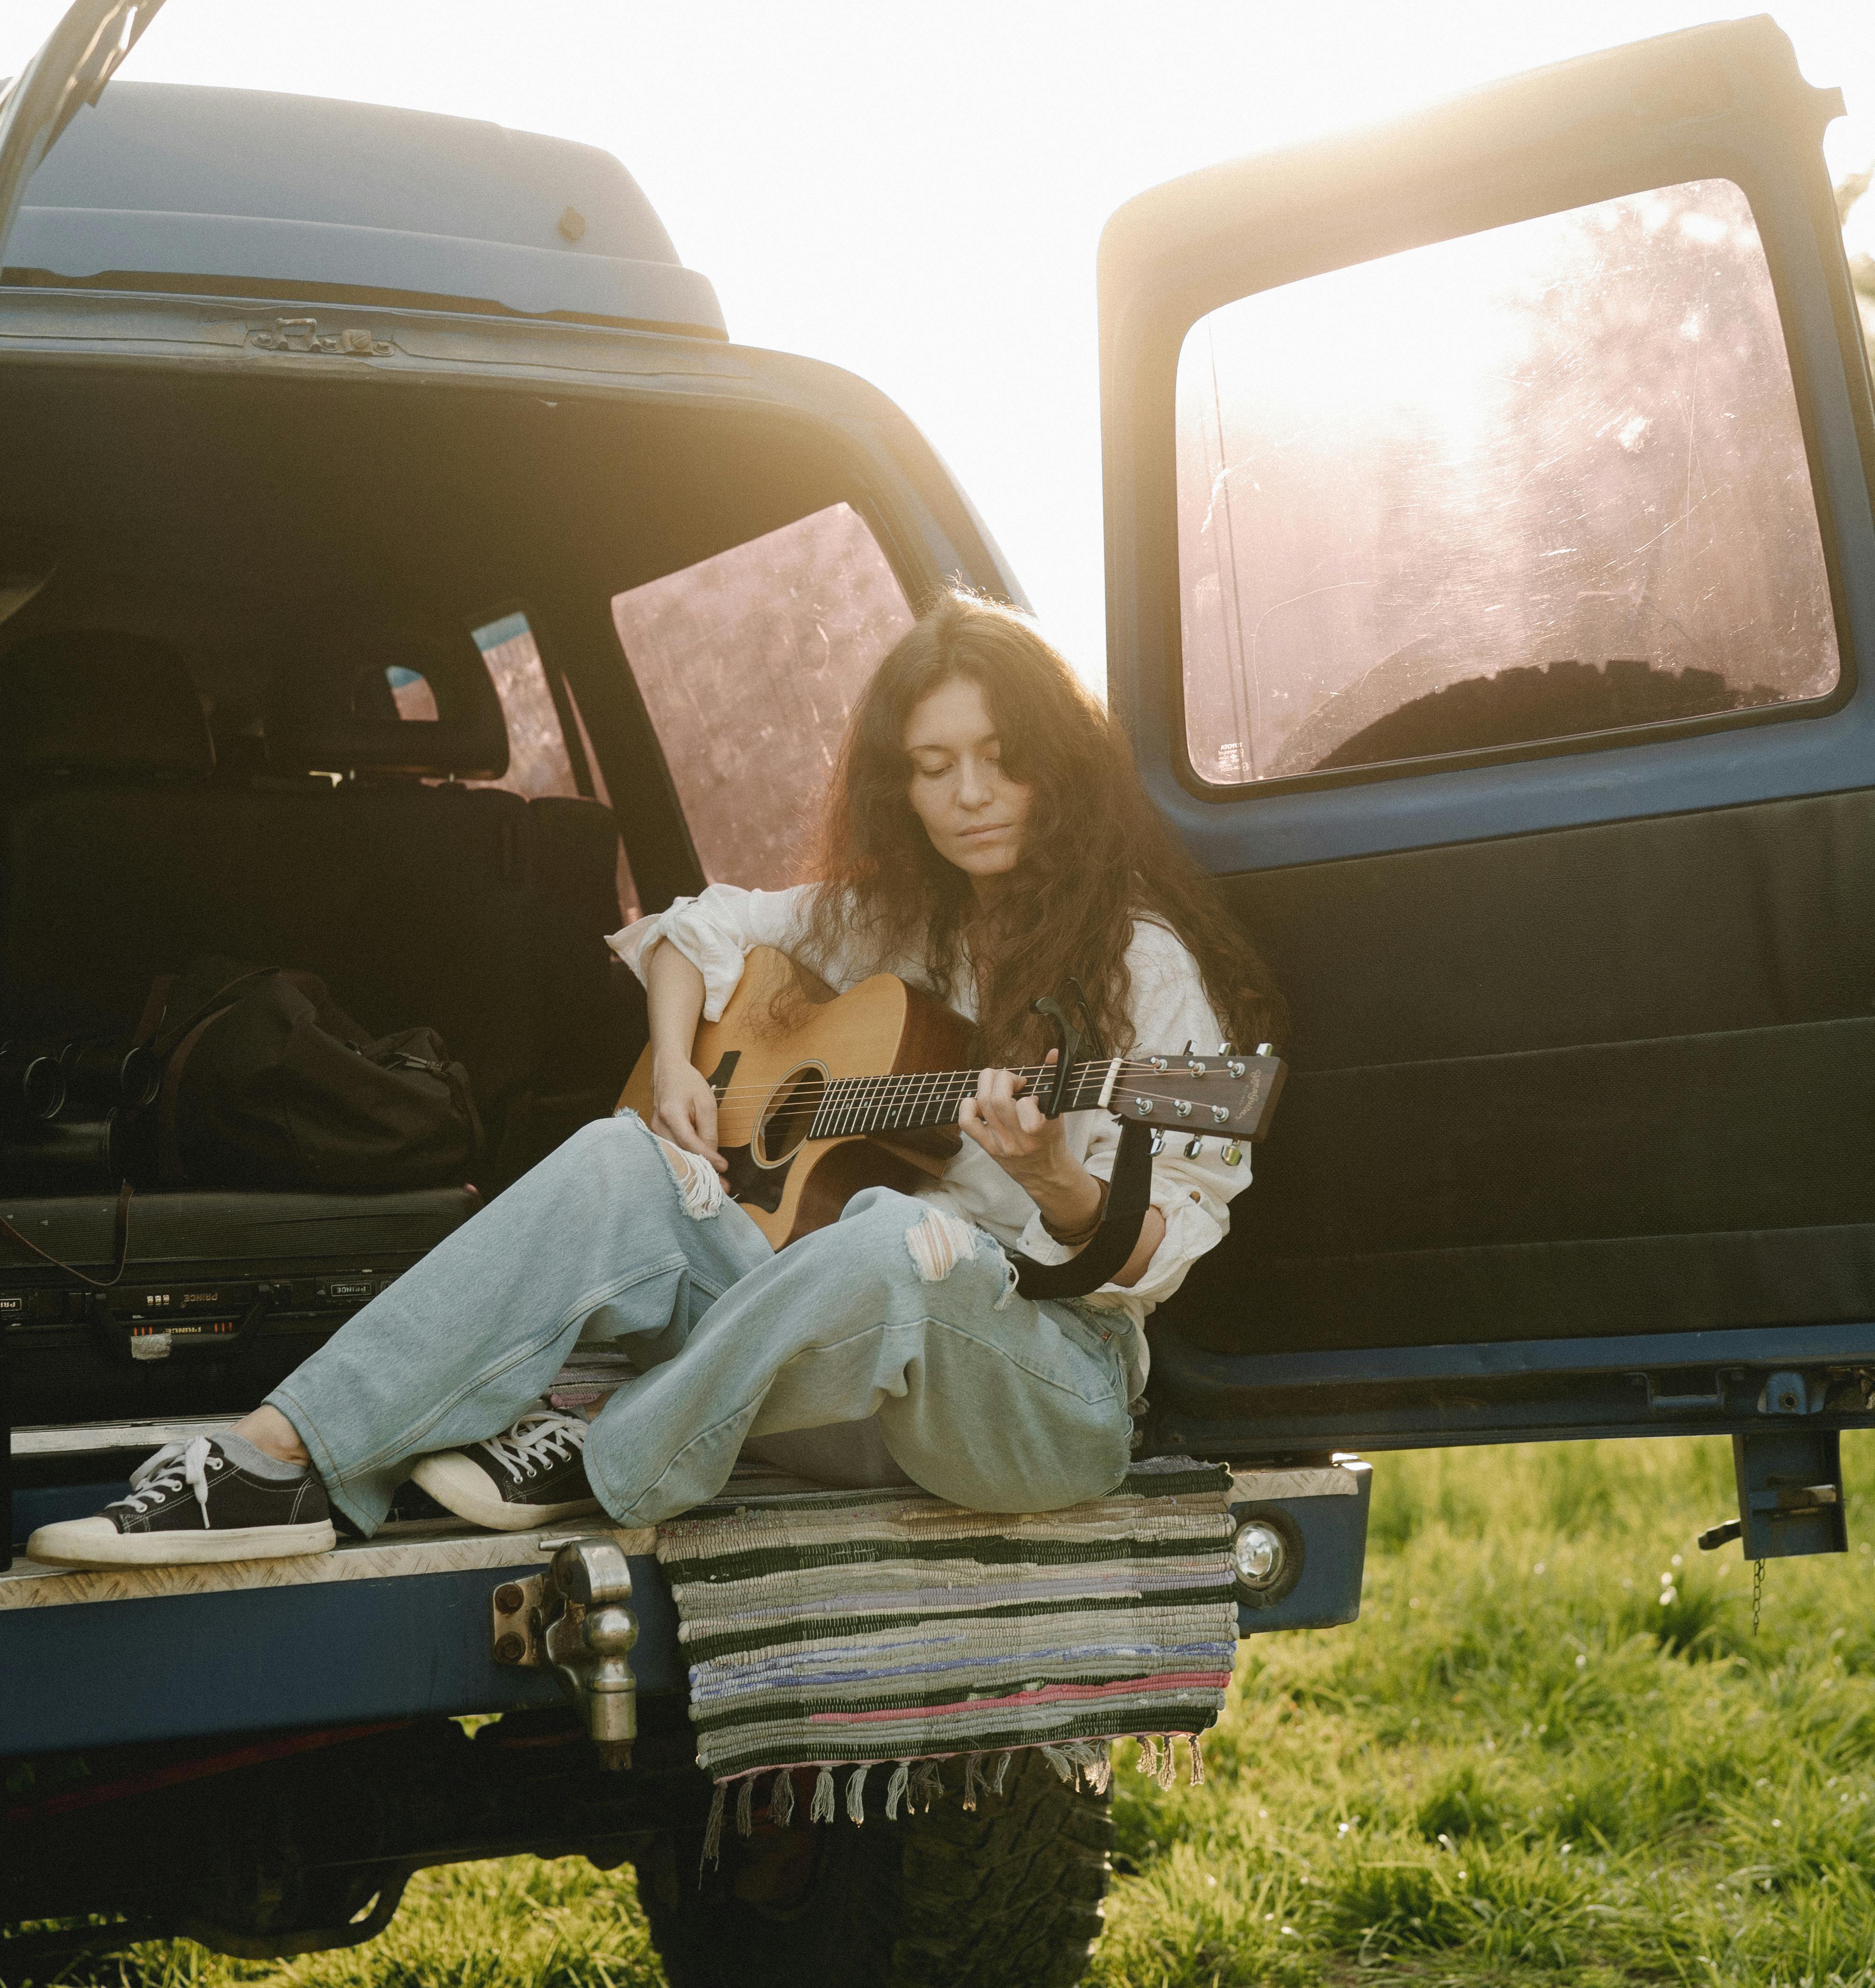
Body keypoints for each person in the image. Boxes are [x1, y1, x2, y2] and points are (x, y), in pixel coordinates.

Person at [30, 596, 1280, 1569]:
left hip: (1037, 1389)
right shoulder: (900, 921)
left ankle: (606, 1441)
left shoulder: (1141, 962)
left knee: (904, 1237)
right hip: (834, 1380)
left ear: (1056, 761)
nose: (965, 796)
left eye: (999, 759)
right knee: (623, 1155)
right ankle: (271, 1463)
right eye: (931, 764)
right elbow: (696, 926)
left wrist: (1058, 1179)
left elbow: (1166, 1245)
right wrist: (681, 1068)